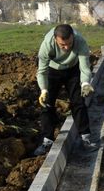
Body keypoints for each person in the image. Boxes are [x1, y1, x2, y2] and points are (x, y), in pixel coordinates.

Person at [34, 24, 98, 156]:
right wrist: (44, 90)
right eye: (62, 45)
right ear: (55, 39)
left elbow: (85, 67)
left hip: (72, 69)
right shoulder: (47, 45)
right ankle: (47, 140)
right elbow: (42, 71)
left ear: (72, 37)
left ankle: (85, 138)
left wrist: (85, 83)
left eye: (69, 43)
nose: (67, 47)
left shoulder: (80, 41)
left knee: (78, 102)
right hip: (53, 71)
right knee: (47, 104)